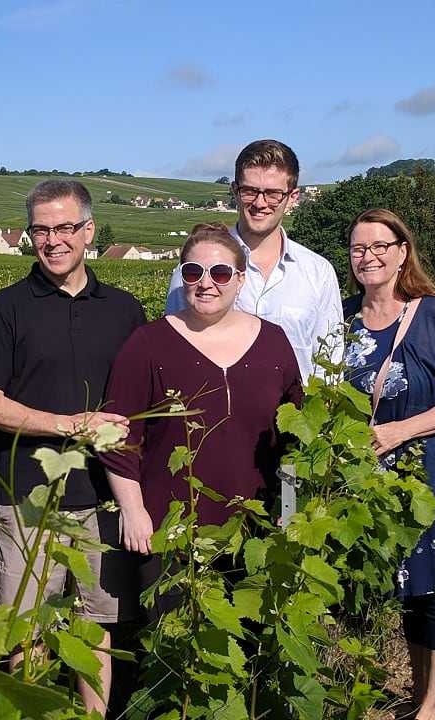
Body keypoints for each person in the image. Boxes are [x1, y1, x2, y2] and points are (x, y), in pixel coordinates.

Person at [0, 179, 145, 715]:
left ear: (88, 232)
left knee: (97, 627)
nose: (52, 240)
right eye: (40, 229)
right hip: (26, 496)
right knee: (23, 630)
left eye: (64, 227)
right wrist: (66, 425)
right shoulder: (5, 308)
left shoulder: (124, 310)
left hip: (105, 495)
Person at [102, 223, 302, 614]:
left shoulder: (274, 342)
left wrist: (290, 510)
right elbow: (118, 433)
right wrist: (133, 509)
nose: (206, 283)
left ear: (240, 280)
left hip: (254, 528)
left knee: (246, 645)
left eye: (221, 273)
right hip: (169, 528)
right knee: (172, 645)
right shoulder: (148, 343)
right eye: (193, 272)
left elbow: (292, 435)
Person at [341, 208, 435, 720]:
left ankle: (432, 707)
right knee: (408, 590)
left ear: (402, 252)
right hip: (382, 487)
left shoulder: (434, 314)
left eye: (381, 246)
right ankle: (418, 692)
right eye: (360, 248)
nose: (370, 257)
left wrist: (400, 430)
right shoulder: (342, 320)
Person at [165, 139, 342, 381]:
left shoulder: (318, 273)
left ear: (292, 197)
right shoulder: (195, 269)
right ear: (235, 191)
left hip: (295, 417)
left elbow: (329, 367)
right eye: (250, 191)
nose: (260, 203)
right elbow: (174, 349)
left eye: (272, 194)